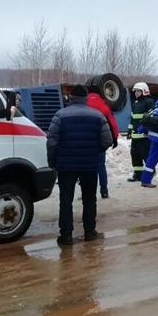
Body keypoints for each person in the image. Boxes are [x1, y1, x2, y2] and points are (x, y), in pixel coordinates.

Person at [46, 85, 113, 246]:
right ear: (86, 98)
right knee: (90, 199)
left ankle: (66, 235)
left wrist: (53, 161)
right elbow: (107, 140)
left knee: (66, 200)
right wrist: (94, 152)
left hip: (66, 165)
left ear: (71, 97)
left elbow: (52, 141)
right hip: (90, 165)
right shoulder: (97, 116)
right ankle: (90, 232)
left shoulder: (60, 115)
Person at [87, 84, 120, 198]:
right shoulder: (104, 105)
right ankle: (104, 190)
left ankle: (87, 192)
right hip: (100, 141)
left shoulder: (83, 104)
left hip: (86, 141)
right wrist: (114, 138)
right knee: (101, 165)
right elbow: (112, 124)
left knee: (87, 167)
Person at [126, 82, 155, 182]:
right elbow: (133, 118)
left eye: (138, 91)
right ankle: (137, 174)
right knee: (135, 155)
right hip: (135, 135)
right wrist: (129, 129)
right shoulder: (135, 103)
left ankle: (150, 172)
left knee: (146, 155)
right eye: (135, 91)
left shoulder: (149, 102)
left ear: (144, 91)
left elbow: (152, 118)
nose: (136, 93)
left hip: (144, 136)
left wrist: (148, 130)